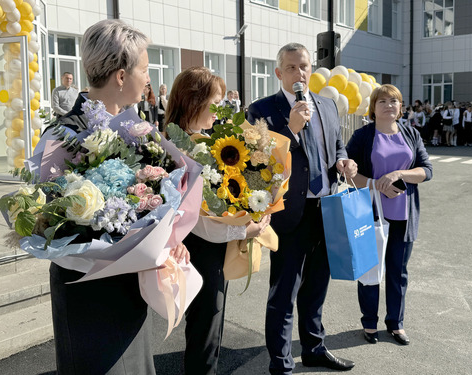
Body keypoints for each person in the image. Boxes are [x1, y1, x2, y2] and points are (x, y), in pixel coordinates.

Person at [45, 19, 190, 375]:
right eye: (144, 69)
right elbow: (46, 222)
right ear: (121, 77)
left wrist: (169, 241)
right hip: (88, 291)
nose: (148, 79)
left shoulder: (136, 129)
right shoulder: (60, 136)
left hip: (131, 285)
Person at [247, 43, 358, 374]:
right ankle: (280, 364)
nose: (300, 73)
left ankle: (313, 348)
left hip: (326, 210)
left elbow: (336, 145)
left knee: (316, 289)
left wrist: (344, 161)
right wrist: (289, 130)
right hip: (288, 212)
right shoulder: (260, 110)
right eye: (292, 68)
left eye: (305, 66)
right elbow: (255, 162)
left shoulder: (326, 104)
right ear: (279, 72)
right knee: (284, 293)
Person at [165, 66, 271, 375]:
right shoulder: (181, 148)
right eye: (215, 101)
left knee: (208, 329)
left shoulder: (199, 142)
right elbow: (198, 221)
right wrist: (245, 227)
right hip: (197, 249)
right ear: (193, 102)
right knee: (204, 329)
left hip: (209, 247)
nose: (220, 109)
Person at [345, 84, 433, 346]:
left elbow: (426, 170)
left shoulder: (411, 134)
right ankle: (369, 323)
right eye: (382, 101)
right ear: (373, 108)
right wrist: (375, 184)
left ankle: (396, 324)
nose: (388, 105)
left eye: (393, 101)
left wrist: (399, 175)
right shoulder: (362, 136)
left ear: (400, 107)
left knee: (398, 271)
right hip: (370, 212)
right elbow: (347, 171)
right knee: (370, 269)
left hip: (404, 215)